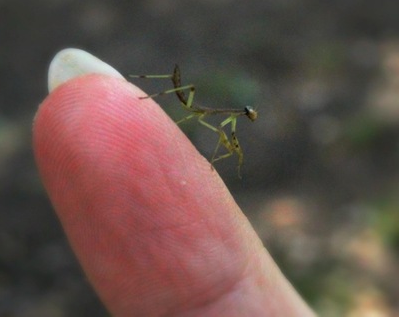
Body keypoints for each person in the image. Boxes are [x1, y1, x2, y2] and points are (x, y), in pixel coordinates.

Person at [33, 49, 317, 316]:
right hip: (185, 101)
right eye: (249, 114)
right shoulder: (223, 117)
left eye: (251, 115)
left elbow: (226, 137)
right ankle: (147, 90)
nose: (250, 116)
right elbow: (223, 136)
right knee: (186, 98)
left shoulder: (226, 121)